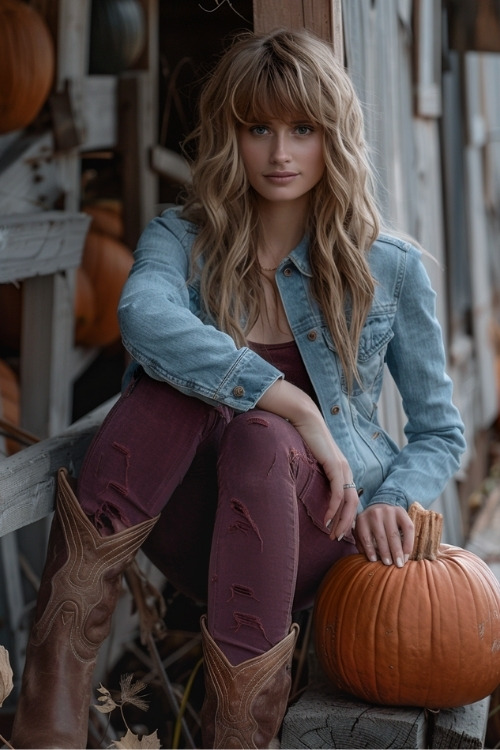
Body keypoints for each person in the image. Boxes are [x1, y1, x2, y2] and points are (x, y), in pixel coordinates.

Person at [11, 27, 466, 749]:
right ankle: (49, 708)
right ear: (231, 136)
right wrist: (290, 401)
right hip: (190, 529)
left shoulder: (391, 267)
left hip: (316, 532)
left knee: (258, 435)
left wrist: (389, 498)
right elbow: (140, 316)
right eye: (258, 128)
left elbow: (442, 432)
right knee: (177, 387)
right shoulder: (182, 239)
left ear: (333, 138)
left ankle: (237, 737)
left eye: (302, 129)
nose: (280, 153)